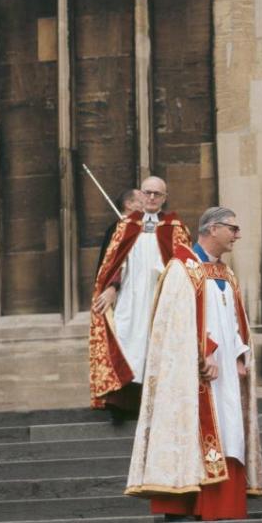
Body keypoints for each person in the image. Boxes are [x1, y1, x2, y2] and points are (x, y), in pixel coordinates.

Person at [124, 207, 262, 520]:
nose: (238, 235)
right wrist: (206, 351)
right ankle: (186, 504)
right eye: (233, 228)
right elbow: (175, 325)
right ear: (213, 229)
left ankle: (223, 506)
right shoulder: (181, 269)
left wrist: (241, 354)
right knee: (191, 433)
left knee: (229, 432)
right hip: (194, 374)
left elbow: (233, 321)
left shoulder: (226, 273)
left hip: (227, 372)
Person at [89, 176, 188, 414]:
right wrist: (112, 287)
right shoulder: (124, 227)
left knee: (158, 344)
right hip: (130, 297)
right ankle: (123, 402)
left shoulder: (176, 228)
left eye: (157, 194)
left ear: (164, 198)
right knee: (126, 337)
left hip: (161, 297)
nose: (152, 197)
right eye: (147, 193)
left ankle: (158, 404)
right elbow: (114, 262)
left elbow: (185, 266)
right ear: (140, 195)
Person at [96, 188, 142, 276]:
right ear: (129, 204)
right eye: (141, 202)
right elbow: (110, 265)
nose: (146, 205)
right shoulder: (117, 230)